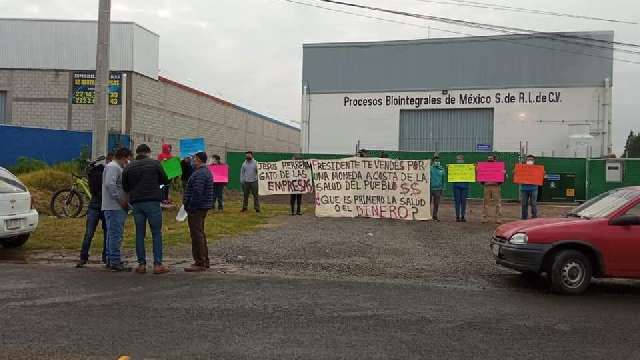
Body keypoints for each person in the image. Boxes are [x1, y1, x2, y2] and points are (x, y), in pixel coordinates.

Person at [122, 144, 171, 275]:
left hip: (137, 204)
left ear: (137, 153)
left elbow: (125, 186)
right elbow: (165, 180)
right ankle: (157, 264)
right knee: (156, 233)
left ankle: (141, 264)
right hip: (152, 202)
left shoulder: (129, 166)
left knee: (139, 233)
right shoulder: (155, 164)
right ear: (148, 152)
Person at [76, 152, 113, 268]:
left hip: (96, 206)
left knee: (90, 233)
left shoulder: (98, 171)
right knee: (104, 233)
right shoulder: (103, 172)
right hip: (102, 206)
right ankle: (104, 257)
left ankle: (84, 258)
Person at [183, 152, 215, 272]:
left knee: (197, 235)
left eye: (194, 159)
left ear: (199, 160)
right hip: (200, 207)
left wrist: (190, 207)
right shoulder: (202, 172)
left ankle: (200, 262)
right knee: (199, 233)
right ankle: (203, 260)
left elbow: (197, 192)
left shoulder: (200, 173)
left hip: (197, 208)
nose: (192, 161)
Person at [102, 147, 133, 272]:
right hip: (115, 206)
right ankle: (115, 260)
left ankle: (111, 259)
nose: (128, 162)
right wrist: (120, 200)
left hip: (113, 206)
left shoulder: (115, 167)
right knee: (116, 234)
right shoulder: (113, 167)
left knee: (112, 234)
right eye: (127, 159)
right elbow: (110, 184)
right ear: (123, 157)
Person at [481, 154, 504, 224]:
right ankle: (484, 218)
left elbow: (503, 178)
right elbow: (481, 176)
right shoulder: (484, 167)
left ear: (495, 159)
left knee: (498, 203)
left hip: (496, 186)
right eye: (488, 159)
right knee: (485, 203)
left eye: (491, 159)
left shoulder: (499, 167)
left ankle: (498, 219)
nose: (490, 160)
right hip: (486, 186)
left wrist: (503, 174)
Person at [521, 154, 540, 220]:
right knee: (524, 204)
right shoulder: (522, 168)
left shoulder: (537, 168)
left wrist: (543, 174)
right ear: (526, 160)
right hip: (524, 188)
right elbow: (517, 175)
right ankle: (524, 218)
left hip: (534, 188)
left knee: (533, 204)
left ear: (534, 161)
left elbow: (541, 177)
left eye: (531, 159)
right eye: (528, 159)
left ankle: (534, 218)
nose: (530, 161)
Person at [452, 154, 470, 222]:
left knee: (463, 202)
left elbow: (471, 174)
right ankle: (457, 216)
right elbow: (450, 175)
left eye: (460, 159)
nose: (459, 160)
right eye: (458, 159)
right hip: (456, 186)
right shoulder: (453, 167)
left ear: (463, 160)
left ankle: (462, 216)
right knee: (457, 202)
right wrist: (449, 169)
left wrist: (472, 168)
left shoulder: (467, 168)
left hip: (465, 187)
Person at [430, 155, 445, 221]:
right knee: (428, 203)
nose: (437, 162)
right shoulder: (429, 168)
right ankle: (427, 215)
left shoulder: (442, 169)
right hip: (430, 189)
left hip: (438, 189)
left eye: (438, 161)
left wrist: (443, 188)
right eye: (436, 161)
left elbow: (443, 179)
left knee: (436, 204)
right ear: (433, 161)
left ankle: (435, 216)